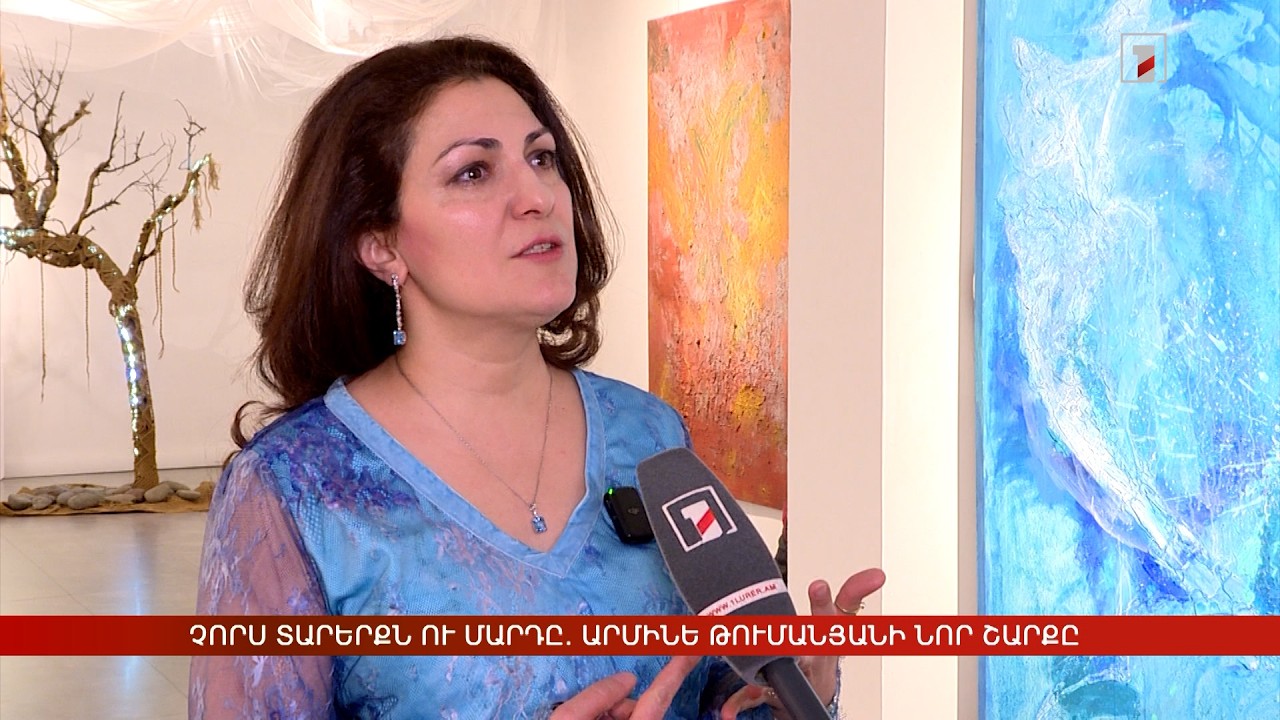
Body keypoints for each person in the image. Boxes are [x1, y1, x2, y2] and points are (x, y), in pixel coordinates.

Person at [190, 35, 884, 719]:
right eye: (473, 172)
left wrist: (789, 697)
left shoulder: (649, 435)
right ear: (380, 244)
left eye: (542, 158)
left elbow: (705, 693)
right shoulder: (295, 488)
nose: (536, 197)